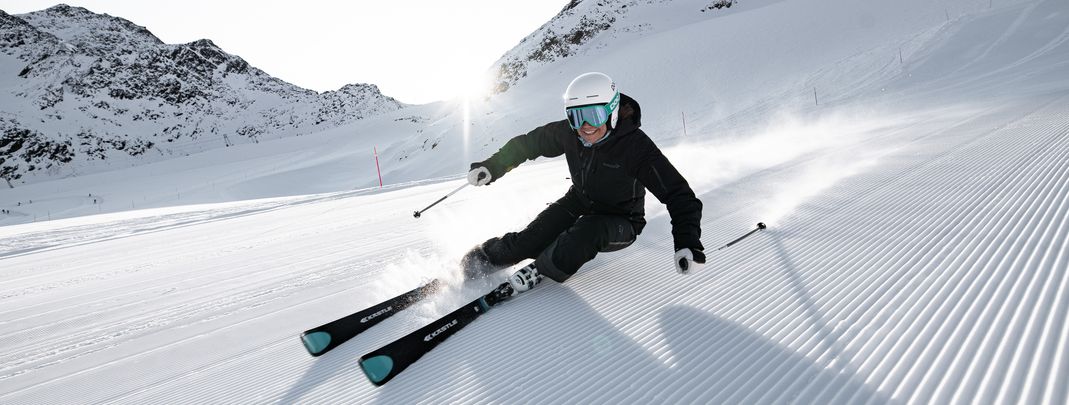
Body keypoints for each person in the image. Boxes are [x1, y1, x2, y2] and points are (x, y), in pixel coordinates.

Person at [462, 72, 705, 299]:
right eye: (577, 116)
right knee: (530, 239)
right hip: (579, 199)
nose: (586, 126)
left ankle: (542, 269)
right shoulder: (570, 133)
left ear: (611, 112)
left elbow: (679, 196)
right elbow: (528, 144)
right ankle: (479, 260)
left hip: (622, 219)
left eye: (595, 115)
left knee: (585, 234)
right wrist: (492, 167)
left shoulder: (636, 148)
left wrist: (687, 242)